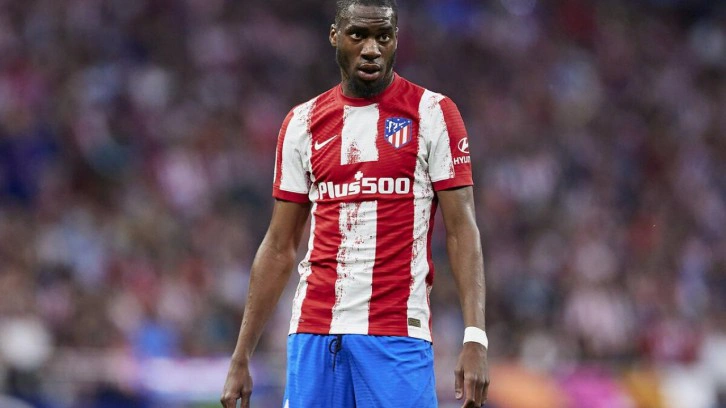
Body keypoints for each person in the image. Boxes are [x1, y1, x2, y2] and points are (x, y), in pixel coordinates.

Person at [220, 0, 489, 407]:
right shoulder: (302, 122)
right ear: (335, 36)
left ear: (396, 40)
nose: (371, 49)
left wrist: (475, 336)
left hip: (397, 334)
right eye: (358, 35)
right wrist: (241, 355)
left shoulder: (433, 114)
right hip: (314, 331)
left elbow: (462, 230)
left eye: (383, 37)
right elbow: (279, 245)